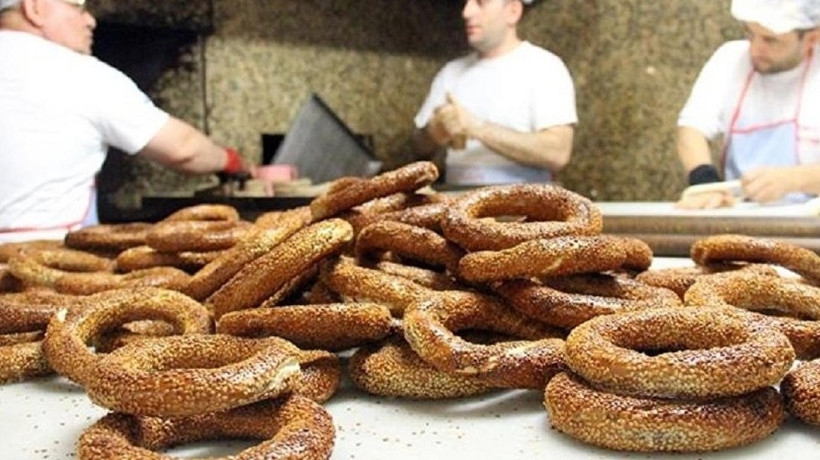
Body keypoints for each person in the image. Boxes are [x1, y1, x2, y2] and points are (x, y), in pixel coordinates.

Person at [0, 0, 247, 243]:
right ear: (35, 7)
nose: (90, 20)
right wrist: (231, 161)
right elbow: (184, 150)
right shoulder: (78, 73)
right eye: (78, 7)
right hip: (41, 257)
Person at [411, 0, 576, 185]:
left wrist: (477, 128)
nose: (466, 12)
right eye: (467, 3)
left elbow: (558, 153)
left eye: (480, 3)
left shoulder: (544, 67)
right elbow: (418, 147)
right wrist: (434, 132)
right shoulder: (451, 72)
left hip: (522, 198)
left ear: (513, 11)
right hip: (456, 197)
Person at [677, 0, 820, 209]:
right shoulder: (730, 59)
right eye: (750, 34)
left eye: (771, 40)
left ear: (812, 38)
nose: (755, 49)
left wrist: (795, 179)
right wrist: (705, 182)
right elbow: (692, 129)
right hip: (741, 217)